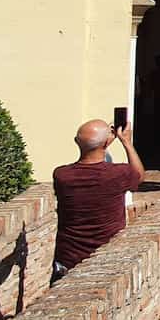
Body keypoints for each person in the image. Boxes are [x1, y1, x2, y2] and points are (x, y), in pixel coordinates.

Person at [51, 120, 145, 284]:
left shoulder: (61, 176)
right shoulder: (117, 174)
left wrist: (104, 141)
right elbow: (139, 176)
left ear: (76, 142)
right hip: (105, 257)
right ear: (107, 143)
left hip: (68, 258)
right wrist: (126, 143)